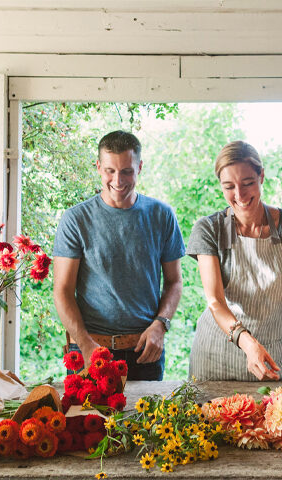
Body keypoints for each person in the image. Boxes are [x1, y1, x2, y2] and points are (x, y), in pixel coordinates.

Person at [53, 130, 185, 380]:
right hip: (89, 349)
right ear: (98, 168)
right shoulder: (75, 220)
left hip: (145, 350)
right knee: (85, 419)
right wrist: (85, 344)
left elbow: (174, 282)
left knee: (145, 420)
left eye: (127, 171)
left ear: (140, 167)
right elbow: (62, 290)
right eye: (110, 171)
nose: (118, 179)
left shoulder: (162, 215)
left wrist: (161, 325)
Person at [186, 141, 282, 381]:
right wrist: (247, 343)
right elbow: (215, 302)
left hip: (271, 357)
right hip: (215, 358)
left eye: (247, 183)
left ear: (261, 176)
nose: (239, 195)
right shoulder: (209, 229)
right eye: (229, 187)